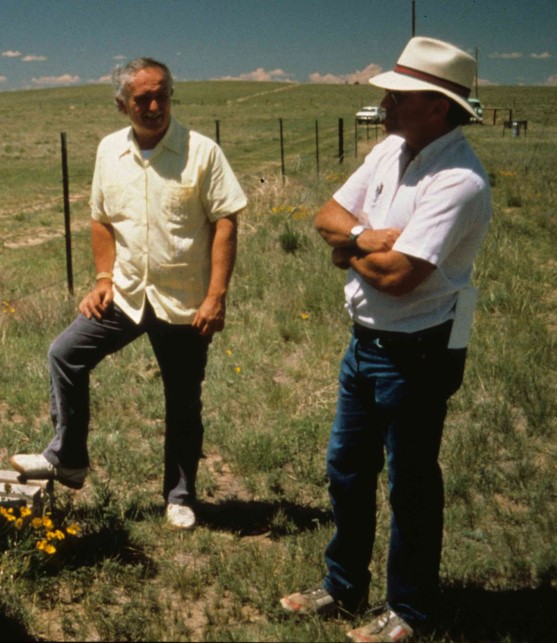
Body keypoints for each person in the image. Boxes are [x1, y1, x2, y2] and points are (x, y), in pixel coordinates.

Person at [280, 37, 492, 641]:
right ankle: (342, 586)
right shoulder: (389, 151)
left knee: (411, 484)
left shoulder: (460, 181)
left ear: (437, 105)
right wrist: (368, 238)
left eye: (399, 95)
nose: (385, 103)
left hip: (419, 350)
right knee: (346, 468)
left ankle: (410, 610)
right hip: (366, 344)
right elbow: (325, 215)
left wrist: (348, 246)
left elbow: (401, 279)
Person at [10, 57, 247, 530]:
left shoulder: (201, 152)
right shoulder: (108, 152)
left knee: (183, 399)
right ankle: (69, 457)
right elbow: (101, 218)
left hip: (183, 301)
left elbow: (225, 220)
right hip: (125, 294)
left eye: (162, 95)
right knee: (65, 353)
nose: (155, 106)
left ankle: (180, 496)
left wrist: (215, 295)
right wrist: (103, 280)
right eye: (142, 99)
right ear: (122, 105)